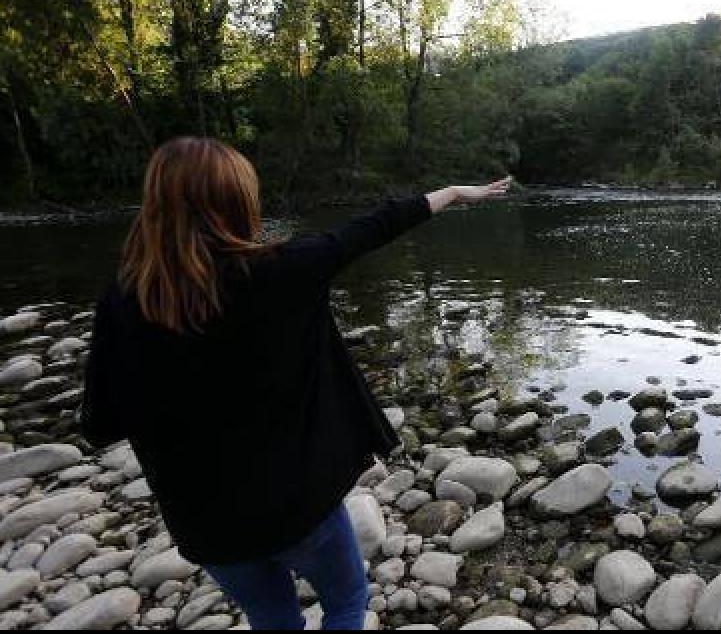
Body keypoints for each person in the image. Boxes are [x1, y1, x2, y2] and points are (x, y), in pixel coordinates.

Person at [80, 136, 511, 629]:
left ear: (155, 206)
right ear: (238, 203)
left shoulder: (122, 301)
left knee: (274, 622)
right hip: (297, 508)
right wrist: (453, 192)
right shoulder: (283, 272)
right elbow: (370, 229)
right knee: (347, 605)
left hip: (205, 524)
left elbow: (101, 425)